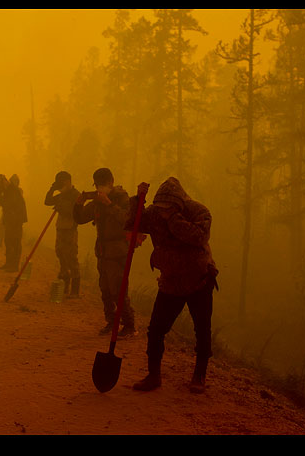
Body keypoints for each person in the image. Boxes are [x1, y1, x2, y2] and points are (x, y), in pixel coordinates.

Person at [126, 177, 218, 394]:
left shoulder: (199, 212)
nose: (163, 211)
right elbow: (133, 224)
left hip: (200, 281)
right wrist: (138, 201)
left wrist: (173, 220)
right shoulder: (155, 213)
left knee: (202, 330)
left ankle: (199, 376)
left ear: (178, 204)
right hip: (170, 281)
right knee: (156, 329)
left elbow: (199, 237)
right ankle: (153, 375)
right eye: (161, 207)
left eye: (168, 207)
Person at [73, 168, 137, 337]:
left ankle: (129, 324)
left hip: (118, 252)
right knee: (105, 289)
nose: (100, 188)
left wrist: (109, 204)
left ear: (111, 182)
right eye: (97, 185)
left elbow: (127, 219)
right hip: (102, 251)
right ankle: (111, 321)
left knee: (118, 289)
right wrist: (78, 203)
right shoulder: (97, 201)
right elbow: (80, 218)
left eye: (103, 184)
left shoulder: (122, 198)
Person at [45, 171, 81, 298]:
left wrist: (61, 207)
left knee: (71, 256)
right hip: (60, 228)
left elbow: (74, 212)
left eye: (62, 183)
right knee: (60, 253)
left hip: (70, 229)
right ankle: (64, 283)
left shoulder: (76, 195)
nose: (60, 186)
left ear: (68, 181)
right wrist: (52, 189)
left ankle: (75, 289)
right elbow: (47, 201)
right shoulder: (61, 195)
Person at [0, 174, 27, 272]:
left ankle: (14, 265)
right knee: (8, 241)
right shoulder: (7, 190)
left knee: (15, 242)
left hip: (16, 220)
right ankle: (9, 263)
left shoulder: (13, 190)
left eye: (0, 185)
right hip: (10, 220)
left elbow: (8, 204)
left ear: (4, 181)